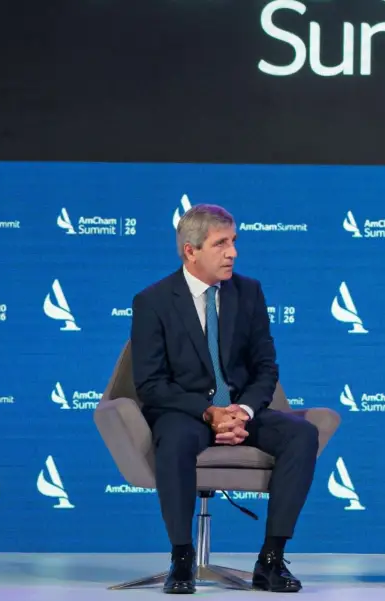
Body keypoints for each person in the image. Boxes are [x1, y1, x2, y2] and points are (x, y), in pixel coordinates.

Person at [130, 204, 318, 594]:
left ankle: (271, 560)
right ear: (191, 251)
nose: (233, 252)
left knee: (301, 434)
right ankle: (181, 559)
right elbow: (150, 384)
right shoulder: (153, 301)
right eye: (221, 244)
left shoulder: (248, 292)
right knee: (177, 440)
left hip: (242, 410)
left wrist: (242, 411)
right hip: (186, 412)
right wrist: (208, 411)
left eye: (234, 242)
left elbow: (265, 368)